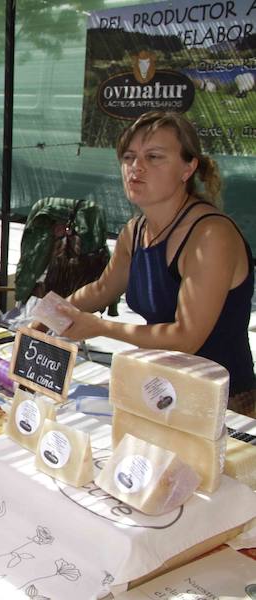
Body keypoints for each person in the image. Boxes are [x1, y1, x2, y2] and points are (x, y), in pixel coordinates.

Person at [58, 111, 255, 416]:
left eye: (153, 157)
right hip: (161, 390)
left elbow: (185, 338)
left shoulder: (210, 235)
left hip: (224, 405)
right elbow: (101, 289)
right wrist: (46, 316)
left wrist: (100, 327)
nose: (136, 167)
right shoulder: (135, 231)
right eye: (129, 157)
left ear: (188, 168)